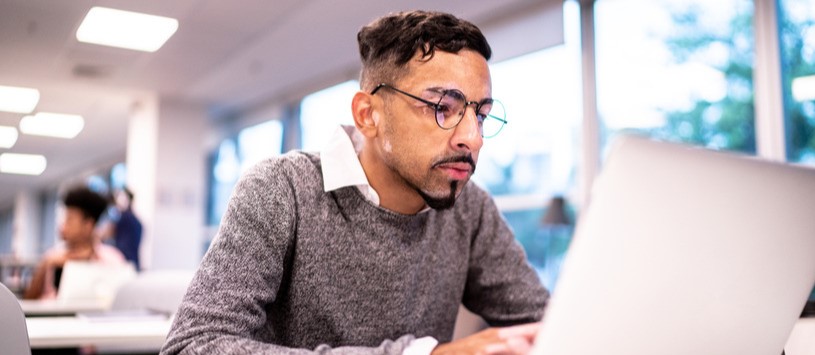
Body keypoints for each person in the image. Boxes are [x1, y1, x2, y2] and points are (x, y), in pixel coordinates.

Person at [161, 10, 548, 355]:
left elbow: (547, 322)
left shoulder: (470, 208)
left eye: (480, 115)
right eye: (442, 107)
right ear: (368, 115)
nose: (473, 138)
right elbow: (193, 345)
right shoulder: (282, 190)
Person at [24, 185, 126, 300]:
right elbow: (28, 301)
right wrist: (45, 265)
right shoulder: (52, 258)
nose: (63, 226)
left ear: (88, 225)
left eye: (69, 219)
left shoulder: (112, 259)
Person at [101, 187, 143, 271]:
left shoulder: (124, 218)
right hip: (133, 262)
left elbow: (106, 234)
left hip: (124, 262)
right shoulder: (137, 221)